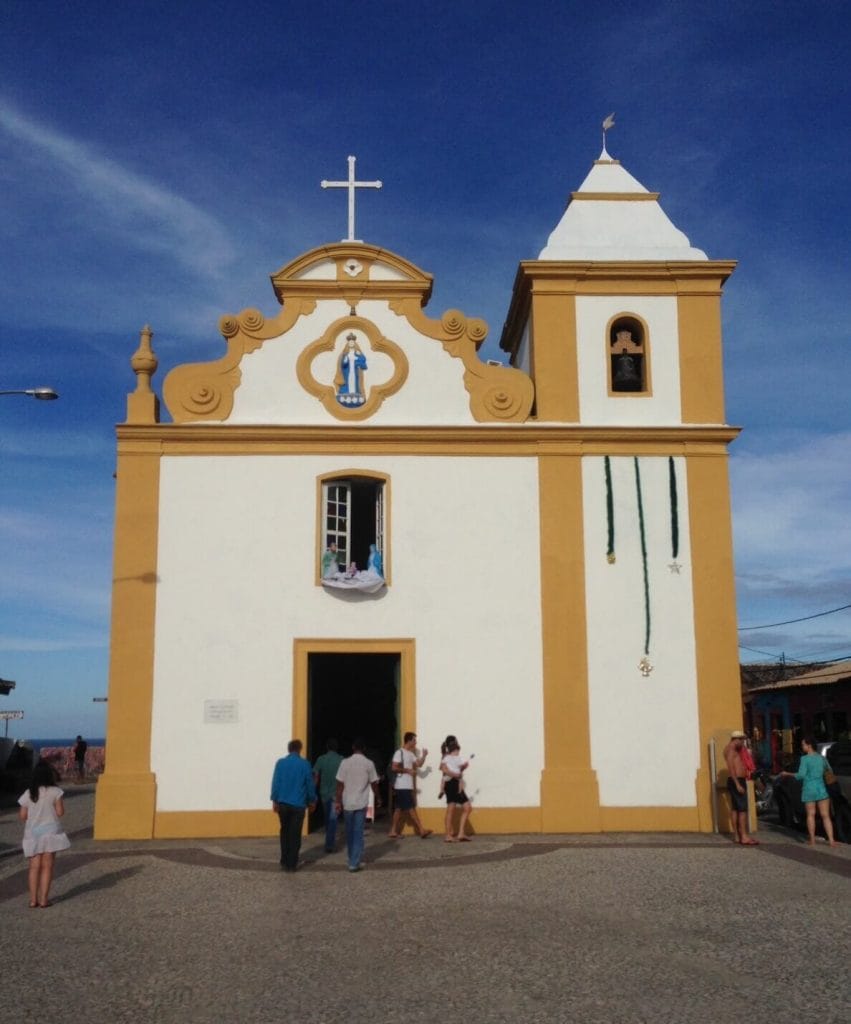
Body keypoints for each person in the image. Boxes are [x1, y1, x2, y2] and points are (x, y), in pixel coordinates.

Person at [18, 759, 71, 907]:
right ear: (50, 775)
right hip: (51, 831)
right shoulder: (56, 791)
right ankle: (44, 900)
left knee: (34, 867)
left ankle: (33, 900)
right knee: (47, 866)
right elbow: (60, 812)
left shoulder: (29, 793)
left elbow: (22, 816)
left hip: (33, 833)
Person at [779, 737, 837, 848]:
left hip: (809, 789)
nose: (802, 746)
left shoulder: (804, 759)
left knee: (810, 815)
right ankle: (831, 841)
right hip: (821, 789)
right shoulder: (822, 758)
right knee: (826, 815)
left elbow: (801, 775)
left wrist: (787, 773)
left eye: (803, 744)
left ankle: (812, 840)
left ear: (809, 745)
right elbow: (830, 772)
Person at [334, 736, 381, 872]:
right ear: (364, 749)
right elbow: (374, 784)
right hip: (361, 802)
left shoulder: (344, 763)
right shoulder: (369, 763)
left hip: (347, 802)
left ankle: (352, 858)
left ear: (353, 748)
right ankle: (354, 862)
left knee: (349, 832)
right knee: (358, 832)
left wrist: (337, 801)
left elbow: (339, 784)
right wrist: (378, 797)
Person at [270, 739, 317, 872]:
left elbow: (276, 782)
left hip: (283, 804)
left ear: (289, 749)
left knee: (284, 831)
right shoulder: (305, 764)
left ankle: (284, 860)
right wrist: (312, 800)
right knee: (295, 834)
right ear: (300, 749)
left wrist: (274, 799)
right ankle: (292, 863)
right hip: (298, 805)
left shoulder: (280, 763)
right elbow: (309, 784)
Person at [388, 732, 432, 839]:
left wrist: (424, 755)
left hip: (407, 786)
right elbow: (394, 768)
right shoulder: (399, 753)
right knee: (411, 808)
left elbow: (419, 764)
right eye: (414, 740)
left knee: (398, 809)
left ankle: (393, 831)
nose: (416, 742)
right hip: (402, 785)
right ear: (409, 741)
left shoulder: (411, 754)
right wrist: (407, 770)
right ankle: (421, 830)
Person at [723, 729, 758, 845]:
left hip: (738, 780)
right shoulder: (731, 750)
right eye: (742, 740)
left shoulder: (733, 749)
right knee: (742, 810)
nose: (743, 742)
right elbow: (731, 768)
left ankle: (737, 836)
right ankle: (744, 836)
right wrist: (737, 784)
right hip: (737, 781)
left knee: (735, 809)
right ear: (736, 740)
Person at [440, 735, 473, 842]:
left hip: (457, 783)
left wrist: (463, 768)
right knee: (451, 809)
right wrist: (455, 775)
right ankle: (448, 835)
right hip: (451, 784)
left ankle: (461, 833)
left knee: (467, 807)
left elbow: (458, 770)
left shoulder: (455, 757)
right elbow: (443, 770)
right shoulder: (446, 757)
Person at [313, 738, 344, 853]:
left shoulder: (321, 759)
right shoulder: (342, 760)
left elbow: (316, 775)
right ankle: (329, 844)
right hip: (337, 794)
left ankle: (329, 841)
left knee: (328, 818)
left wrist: (313, 791)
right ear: (337, 748)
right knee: (333, 819)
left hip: (324, 793)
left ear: (327, 747)